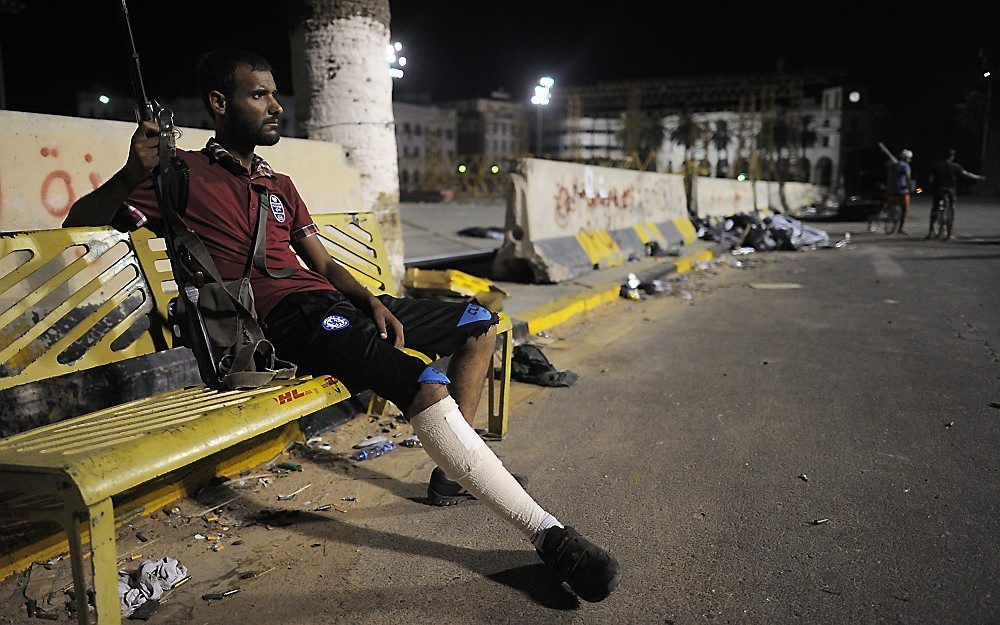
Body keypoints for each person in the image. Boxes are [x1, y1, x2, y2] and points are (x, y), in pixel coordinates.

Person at [63, 49, 621, 603]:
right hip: (278, 320)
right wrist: (131, 173)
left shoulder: (277, 184)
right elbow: (78, 222)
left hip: (331, 303)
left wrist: (373, 301)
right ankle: (547, 536)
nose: (275, 105)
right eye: (258, 95)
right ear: (218, 104)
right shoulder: (179, 175)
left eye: (273, 93)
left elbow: (324, 264)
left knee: (480, 320)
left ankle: (455, 471)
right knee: (422, 379)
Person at [925, 148, 986, 240]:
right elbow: (966, 174)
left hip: (939, 191)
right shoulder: (955, 166)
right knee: (951, 211)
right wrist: (978, 177)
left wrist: (923, 189)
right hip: (950, 191)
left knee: (935, 210)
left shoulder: (936, 166)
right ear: (952, 157)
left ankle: (930, 232)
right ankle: (950, 234)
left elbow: (930, 179)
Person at [882, 148, 914, 234]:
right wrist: (912, 188)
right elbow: (908, 178)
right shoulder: (905, 166)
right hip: (902, 190)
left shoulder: (892, 164)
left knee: (890, 204)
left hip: (890, 190)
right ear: (907, 158)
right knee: (905, 208)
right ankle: (901, 228)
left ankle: (888, 212)